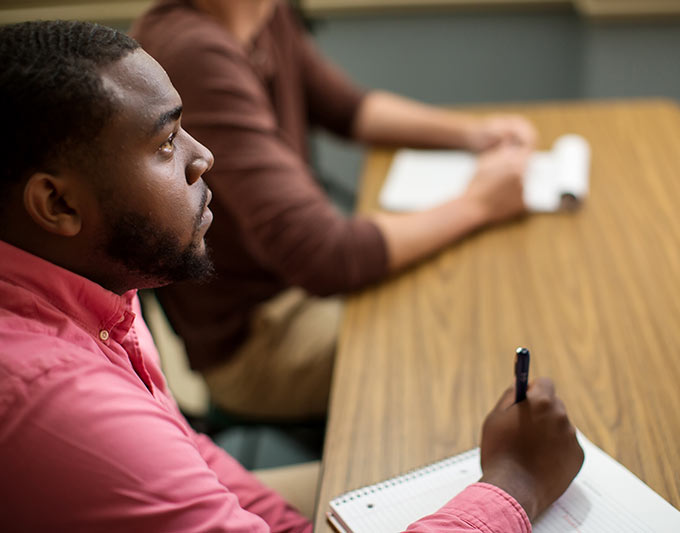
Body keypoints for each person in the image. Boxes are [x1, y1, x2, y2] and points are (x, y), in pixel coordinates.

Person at [0, 20, 583, 532]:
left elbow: (187, 451)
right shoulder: (56, 398)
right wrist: (515, 487)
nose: (203, 159)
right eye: (167, 141)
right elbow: (324, 252)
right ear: (56, 205)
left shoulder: (96, 292)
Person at [131, 0, 538, 420]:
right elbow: (326, 255)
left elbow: (348, 109)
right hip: (259, 336)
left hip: (298, 292)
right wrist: (479, 204)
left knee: (468, 293)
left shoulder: (263, 15)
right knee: (456, 336)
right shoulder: (193, 52)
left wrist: (475, 135)